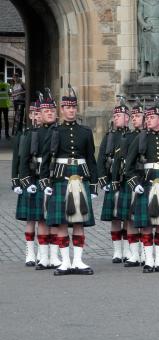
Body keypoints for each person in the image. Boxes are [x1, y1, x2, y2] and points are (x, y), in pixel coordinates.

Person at [39, 86, 98, 276]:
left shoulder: (85, 132)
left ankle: (78, 261)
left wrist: (95, 185)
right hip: (60, 177)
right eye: (68, 107)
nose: (71, 110)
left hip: (81, 177)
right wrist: (45, 183)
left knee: (79, 222)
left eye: (74, 107)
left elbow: (91, 159)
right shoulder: (54, 132)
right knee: (62, 223)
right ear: (62, 110)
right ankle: (65, 262)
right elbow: (47, 159)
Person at [124, 96, 159, 273]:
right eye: (146, 118)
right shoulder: (140, 140)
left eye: (151, 117)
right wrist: (134, 183)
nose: (148, 120)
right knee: (147, 224)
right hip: (146, 183)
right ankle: (149, 260)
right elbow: (128, 166)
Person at [19, 91, 61, 270]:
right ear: (40, 114)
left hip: (55, 178)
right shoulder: (31, 134)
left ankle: (54, 256)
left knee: (54, 220)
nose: (49, 113)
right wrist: (25, 182)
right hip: (36, 179)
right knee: (39, 219)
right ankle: (40, 256)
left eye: (52, 110)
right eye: (46, 111)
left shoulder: (60, 132)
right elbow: (22, 160)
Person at [112, 99, 146, 267]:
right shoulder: (128, 137)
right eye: (132, 116)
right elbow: (120, 161)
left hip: (147, 180)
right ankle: (134, 254)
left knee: (147, 219)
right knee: (131, 219)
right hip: (131, 180)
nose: (134, 119)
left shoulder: (153, 136)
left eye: (138, 116)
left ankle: (146, 253)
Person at [97, 98, 132, 263]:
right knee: (115, 218)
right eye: (115, 116)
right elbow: (101, 159)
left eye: (119, 115)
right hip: (113, 180)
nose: (116, 118)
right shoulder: (109, 136)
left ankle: (128, 250)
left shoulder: (132, 136)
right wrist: (103, 180)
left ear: (127, 118)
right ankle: (118, 251)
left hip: (127, 181)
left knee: (127, 217)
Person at [12, 102, 39, 266]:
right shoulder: (23, 135)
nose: (36, 117)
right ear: (30, 116)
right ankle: (30, 252)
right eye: (33, 114)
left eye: (38, 113)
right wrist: (16, 181)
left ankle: (46, 253)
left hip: (42, 178)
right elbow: (17, 159)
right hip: (27, 179)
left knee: (45, 220)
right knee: (30, 219)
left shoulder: (48, 133)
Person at [0, 72, 11, 139]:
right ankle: (7, 135)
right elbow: (10, 93)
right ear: (3, 78)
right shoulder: (8, 85)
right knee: (6, 120)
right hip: (6, 105)